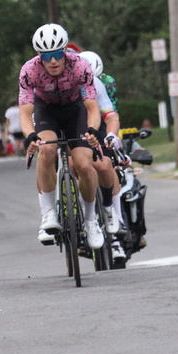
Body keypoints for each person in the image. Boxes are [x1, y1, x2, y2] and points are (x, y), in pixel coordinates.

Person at [18, 23, 105, 249]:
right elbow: (25, 113)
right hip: (46, 110)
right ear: (39, 56)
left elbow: (92, 108)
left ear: (65, 50)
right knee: (46, 150)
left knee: (85, 165)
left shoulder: (81, 67)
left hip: (76, 109)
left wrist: (93, 130)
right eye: (47, 56)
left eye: (58, 54)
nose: (53, 61)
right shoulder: (29, 71)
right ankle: (48, 215)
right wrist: (30, 136)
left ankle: (90, 220)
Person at [78, 50, 128, 263]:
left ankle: (116, 219)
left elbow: (112, 116)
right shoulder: (70, 79)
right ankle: (79, 216)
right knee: (75, 165)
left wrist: (113, 138)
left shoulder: (106, 83)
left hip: (99, 128)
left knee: (110, 165)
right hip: (76, 127)